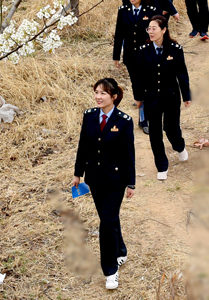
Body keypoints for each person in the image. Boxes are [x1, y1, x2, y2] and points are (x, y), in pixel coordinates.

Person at [72, 78, 136, 290]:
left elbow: (129, 154)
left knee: (106, 222)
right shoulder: (89, 116)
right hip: (95, 177)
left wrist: (131, 183)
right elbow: (83, 144)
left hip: (116, 180)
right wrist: (78, 173)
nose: (98, 97)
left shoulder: (124, 121)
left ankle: (110, 271)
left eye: (103, 93)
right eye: (96, 92)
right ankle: (121, 251)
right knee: (109, 218)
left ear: (114, 97)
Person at [133, 15, 191, 180]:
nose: (150, 31)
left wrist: (186, 95)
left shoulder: (175, 49)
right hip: (152, 98)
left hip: (171, 96)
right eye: (149, 28)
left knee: (171, 128)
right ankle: (162, 166)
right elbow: (139, 77)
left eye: (154, 28)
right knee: (155, 132)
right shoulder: (144, 51)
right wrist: (138, 97)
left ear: (164, 30)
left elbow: (182, 74)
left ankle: (179, 146)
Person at [114, 0, 160, 133]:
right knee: (136, 84)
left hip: (147, 54)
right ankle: (142, 116)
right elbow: (119, 33)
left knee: (147, 83)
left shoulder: (151, 10)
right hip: (130, 54)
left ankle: (146, 117)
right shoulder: (123, 10)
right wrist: (116, 56)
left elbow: (157, 32)